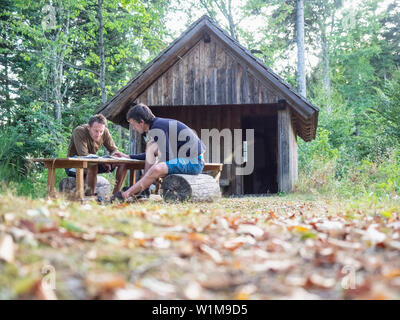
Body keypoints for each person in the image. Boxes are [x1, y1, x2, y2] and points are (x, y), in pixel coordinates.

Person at [111, 103, 206, 202]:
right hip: (184, 159)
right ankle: (144, 190)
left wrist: (151, 176)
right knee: (151, 145)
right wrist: (129, 156)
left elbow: (168, 157)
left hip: (194, 162)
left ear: (141, 122)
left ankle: (125, 195)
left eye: (133, 124)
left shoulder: (157, 128)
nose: (133, 128)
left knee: (156, 168)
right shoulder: (157, 125)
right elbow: (153, 154)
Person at [66, 114, 128, 196]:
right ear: (89, 127)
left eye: (101, 131)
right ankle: (90, 197)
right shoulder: (79, 131)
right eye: (96, 131)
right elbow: (84, 156)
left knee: (123, 163)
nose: (99, 134)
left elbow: (114, 150)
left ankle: (115, 195)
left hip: (94, 162)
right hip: (74, 165)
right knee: (93, 165)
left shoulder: (104, 132)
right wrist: (103, 162)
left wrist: (111, 159)